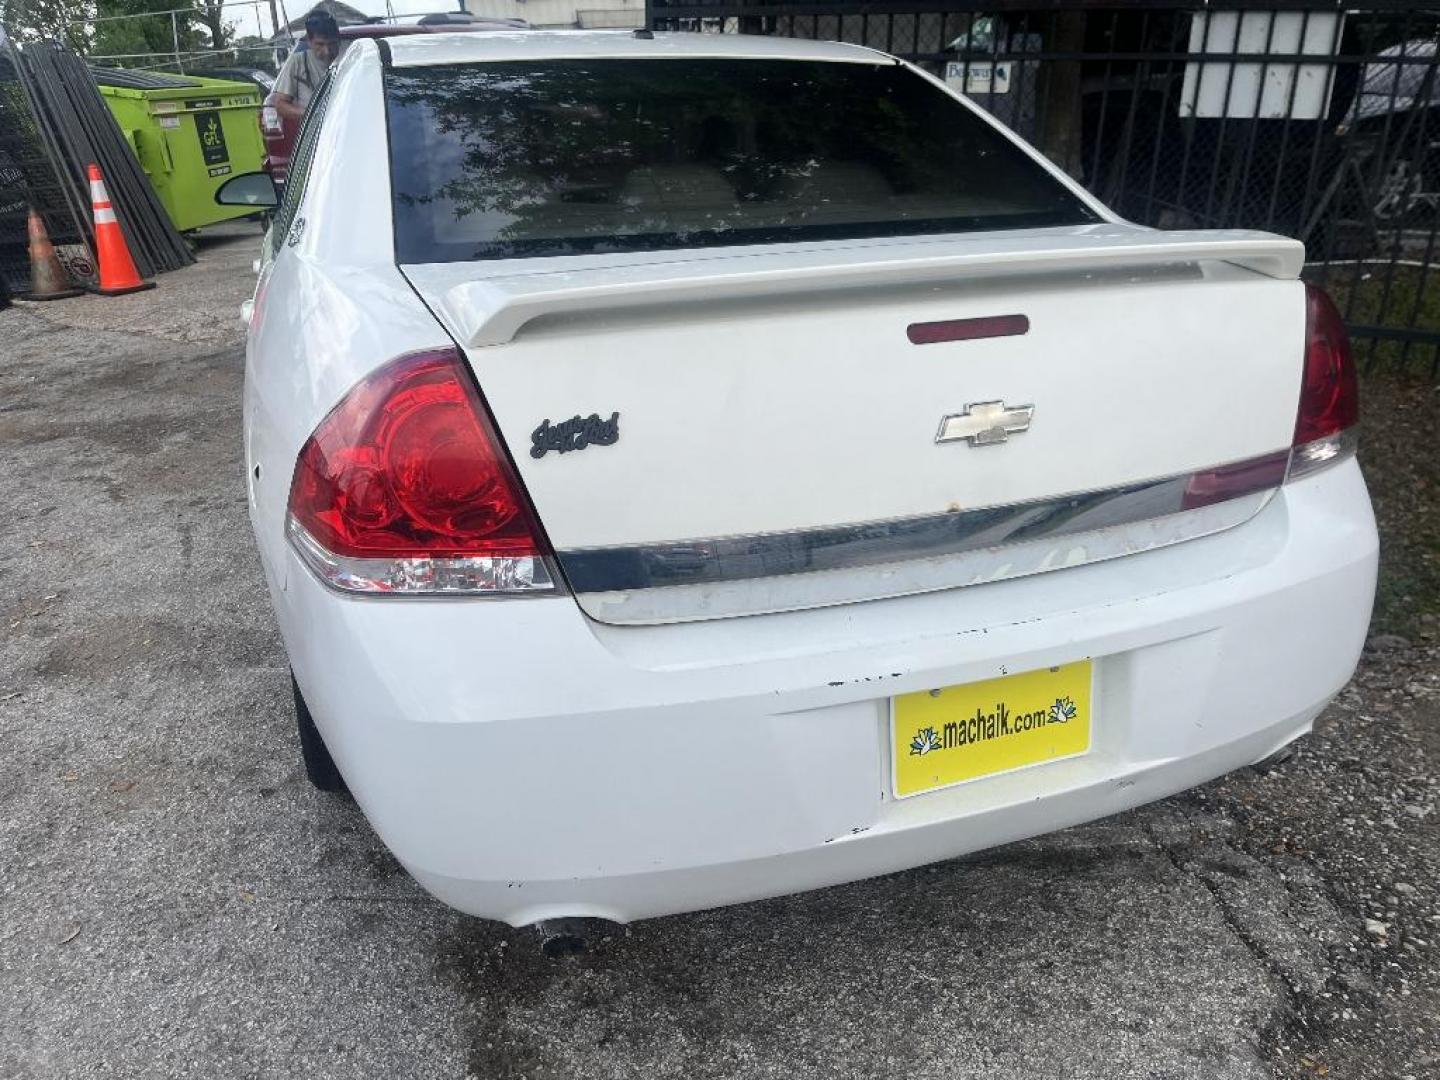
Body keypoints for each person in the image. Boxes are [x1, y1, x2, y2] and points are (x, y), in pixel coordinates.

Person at [273, 11, 343, 122]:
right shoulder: (298, 62)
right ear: (309, 42)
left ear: (339, 40)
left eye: (332, 44)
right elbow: (280, 104)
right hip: (313, 134)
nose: (327, 51)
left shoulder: (350, 60)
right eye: (320, 44)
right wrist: (312, 115)